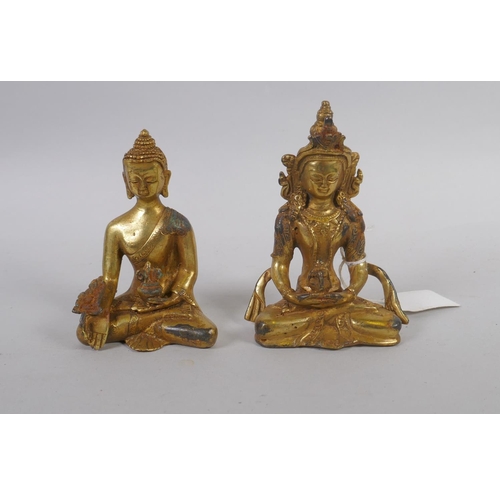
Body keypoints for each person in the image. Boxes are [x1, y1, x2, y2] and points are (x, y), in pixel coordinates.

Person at [245, 101, 408, 349]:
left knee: (390, 324)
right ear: (300, 179)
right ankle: (321, 322)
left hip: (340, 298)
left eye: (332, 177)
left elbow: (357, 264)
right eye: (316, 177)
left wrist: (350, 292)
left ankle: (329, 321)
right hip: (301, 299)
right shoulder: (289, 218)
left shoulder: (350, 218)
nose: (324, 184)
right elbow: (280, 263)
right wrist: (289, 295)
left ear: (343, 180)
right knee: (267, 326)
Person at [73, 130, 217, 351]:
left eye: (150, 179)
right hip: (134, 300)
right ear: (125, 181)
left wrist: (173, 297)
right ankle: (154, 325)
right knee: (85, 331)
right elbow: (110, 280)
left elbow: (188, 270)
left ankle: (143, 324)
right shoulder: (116, 228)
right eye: (135, 180)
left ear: (165, 178)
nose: (142, 186)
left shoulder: (178, 223)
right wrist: (102, 313)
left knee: (207, 333)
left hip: (172, 303)